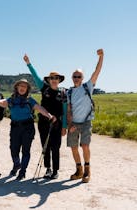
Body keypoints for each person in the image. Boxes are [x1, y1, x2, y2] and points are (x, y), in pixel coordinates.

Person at [0, 78, 56, 180]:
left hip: (28, 128)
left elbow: (40, 109)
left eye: (25, 86)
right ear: (17, 87)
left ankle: (22, 171)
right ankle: (17, 164)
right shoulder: (11, 100)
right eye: (21, 86)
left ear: (27, 88)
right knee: (13, 149)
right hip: (15, 128)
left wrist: (49, 116)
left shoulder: (29, 100)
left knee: (25, 151)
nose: (22, 88)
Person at [23, 55, 67, 179]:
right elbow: (35, 76)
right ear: (48, 80)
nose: (54, 80)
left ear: (59, 80)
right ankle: (48, 169)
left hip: (57, 124)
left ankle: (55, 170)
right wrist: (28, 63)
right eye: (52, 78)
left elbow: (64, 110)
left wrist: (64, 126)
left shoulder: (63, 93)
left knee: (56, 147)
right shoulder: (44, 89)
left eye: (56, 78)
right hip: (43, 122)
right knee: (45, 146)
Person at [67, 49, 104, 183]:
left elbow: (97, 71)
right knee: (73, 147)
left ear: (82, 78)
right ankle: (79, 170)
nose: (76, 78)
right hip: (74, 123)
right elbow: (69, 110)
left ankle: (87, 170)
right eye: (74, 76)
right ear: (72, 78)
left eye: (79, 76)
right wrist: (70, 125)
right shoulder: (69, 92)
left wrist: (101, 57)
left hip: (87, 121)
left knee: (85, 146)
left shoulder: (88, 87)